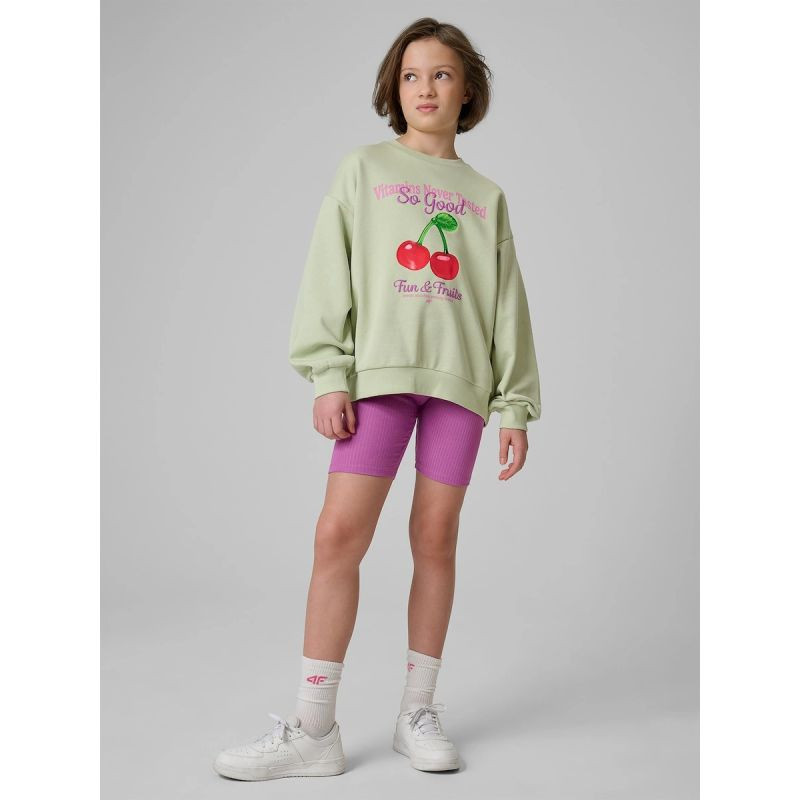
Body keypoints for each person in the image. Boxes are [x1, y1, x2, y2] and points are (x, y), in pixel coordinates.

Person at [213, 16, 541, 781]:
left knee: (436, 537)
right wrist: (330, 373)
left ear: (468, 91)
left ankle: (416, 713)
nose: (426, 88)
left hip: (460, 388)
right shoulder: (363, 170)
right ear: (395, 89)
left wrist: (516, 404)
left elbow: (508, 305)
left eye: (442, 74)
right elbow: (328, 271)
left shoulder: (485, 196)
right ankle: (313, 727)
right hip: (381, 382)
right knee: (338, 536)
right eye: (411, 75)